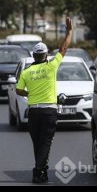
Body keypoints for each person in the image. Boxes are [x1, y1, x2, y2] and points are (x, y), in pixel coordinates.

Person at [16, 17, 73, 183]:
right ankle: (37, 171)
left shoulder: (26, 72)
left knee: (38, 143)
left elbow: (19, 90)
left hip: (33, 111)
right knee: (45, 142)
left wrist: (30, 94)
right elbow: (63, 49)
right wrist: (69, 31)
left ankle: (42, 171)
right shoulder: (51, 66)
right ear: (46, 55)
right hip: (49, 111)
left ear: (34, 56)